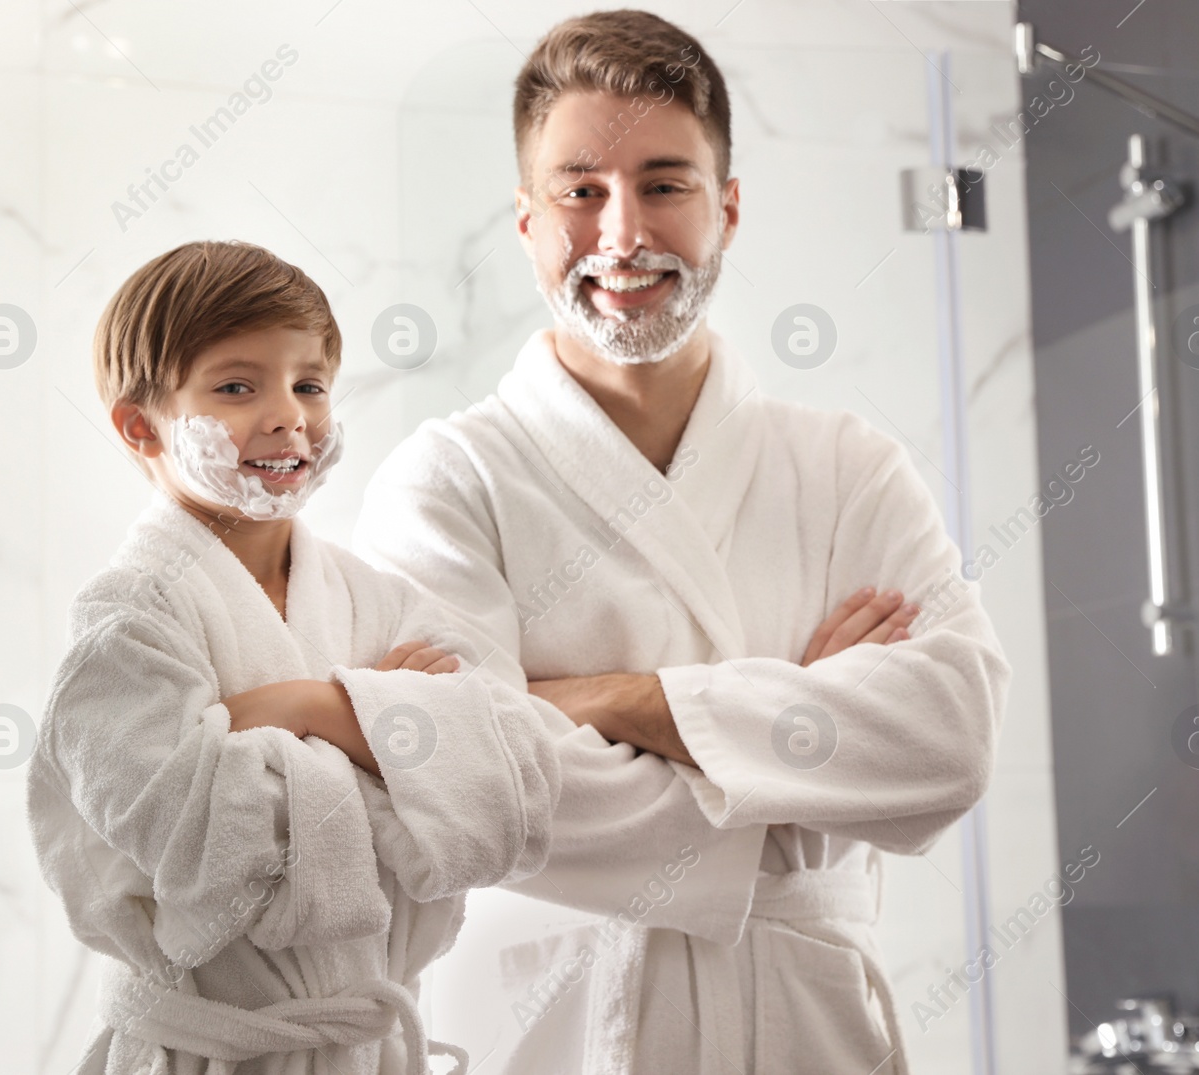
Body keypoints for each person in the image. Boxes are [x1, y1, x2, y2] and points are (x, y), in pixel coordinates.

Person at [352, 10, 1011, 1074]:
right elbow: (469, 786)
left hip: (808, 1028)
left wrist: (610, 701)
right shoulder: (448, 481)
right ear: (525, 222)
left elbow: (950, 738)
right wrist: (798, 744)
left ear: (727, 209)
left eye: (664, 184)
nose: (623, 234)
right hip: (555, 1026)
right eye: (580, 191)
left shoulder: (847, 468)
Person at [26, 240, 559, 1075]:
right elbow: (214, 856)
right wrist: (394, 739)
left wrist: (297, 709)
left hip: (371, 1048)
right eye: (237, 386)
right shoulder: (128, 619)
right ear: (141, 425)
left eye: (309, 383)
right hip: (209, 1052)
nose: (290, 416)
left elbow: (510, 790)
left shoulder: (372, 595)